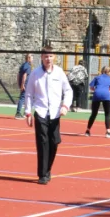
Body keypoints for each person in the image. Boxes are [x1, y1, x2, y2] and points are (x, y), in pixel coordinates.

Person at [24, 46, 73, 184]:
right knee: (42, 142)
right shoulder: (35, 73)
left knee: (54, 142)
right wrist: (28, 112)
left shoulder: (59, 72)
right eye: (45, 56)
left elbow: (68, 90)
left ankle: (48, 168)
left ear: (54, 57)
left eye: (50, 56)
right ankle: (42, 174)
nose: (48, 59)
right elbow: (29, 94)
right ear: (41, 58)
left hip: (55, 113)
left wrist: (65, 106)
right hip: (40, 111)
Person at [85, 66, 110, 138]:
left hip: (97, 94)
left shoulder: (97, 77)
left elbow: (91, 87)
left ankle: (87, 131)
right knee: (107, 114)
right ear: (109, 72)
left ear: (102, 71)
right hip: (106, 95)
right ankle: (108, 132)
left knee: (94, 114)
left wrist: (97, 90)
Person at [15, 53, 33, 118]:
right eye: (31, 57)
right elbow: (24, 75)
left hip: (25, 84)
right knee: (22, 98)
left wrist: (19, 84)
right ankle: (18, 113)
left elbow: (18, 74)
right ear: (28, 58)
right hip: (26, 85)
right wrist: (22, 85)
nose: (32, 58)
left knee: (27, 98)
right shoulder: (28, 66)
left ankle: (26, 113)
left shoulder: (23, 65)